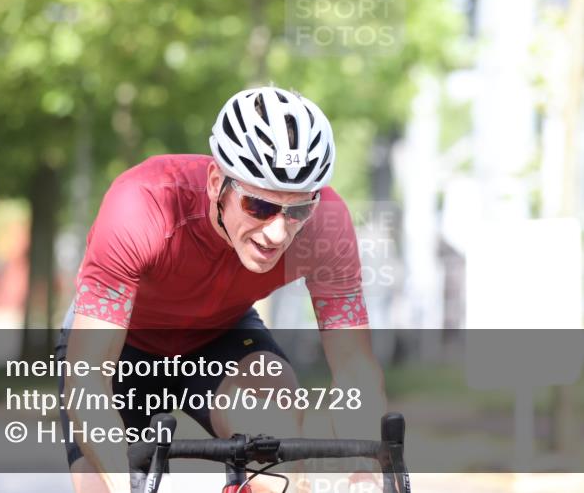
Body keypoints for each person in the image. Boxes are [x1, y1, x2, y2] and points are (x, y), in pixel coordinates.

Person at [57, 86, 387, 493]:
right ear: (217, 182)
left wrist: (365, 467)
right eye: (260, 207)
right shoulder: (141, 206)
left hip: (220, 336)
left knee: (276, 451)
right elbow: (87, 377)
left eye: (298, 209)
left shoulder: (326, 227)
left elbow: (353, 363)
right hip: (122, 345)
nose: (278, 232)